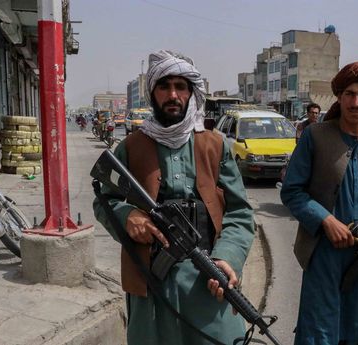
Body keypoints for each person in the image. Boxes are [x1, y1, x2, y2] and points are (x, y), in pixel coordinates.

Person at [93, 50, 255, 344]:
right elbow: (104, 200)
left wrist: (228, 257)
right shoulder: (131, 146)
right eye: (164, 87)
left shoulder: (215, 146)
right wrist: (128, 217)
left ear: (191, 93)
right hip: (151, 283)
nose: (172, 95)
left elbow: (240, 213)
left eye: (181, 87)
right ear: (152, 93)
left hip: (208, 277)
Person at [281, 62, 358, 345]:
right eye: (349, 93)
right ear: (339, 96)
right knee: (319, 332)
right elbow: (292, 192)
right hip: (325, 255)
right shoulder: (316, 136)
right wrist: (326, 220)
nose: (355, 102)